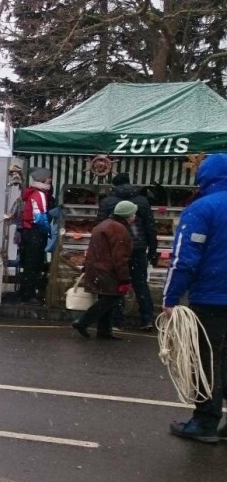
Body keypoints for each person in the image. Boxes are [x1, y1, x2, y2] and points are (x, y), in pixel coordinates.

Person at [164, 154, 227, 443]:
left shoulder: (201, 209)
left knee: (205, 359)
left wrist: (171, 297)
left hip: (211, 298)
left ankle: (204, 422)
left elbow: (184, 259)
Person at [97, 172, 157, 330]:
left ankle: (117, 320)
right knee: (140, 283)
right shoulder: (142, 201)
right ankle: (147, 319)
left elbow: (100, 226)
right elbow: (151, 227)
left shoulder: (108, 201)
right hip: (138, 248)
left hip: (116, 248)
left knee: (116, 284)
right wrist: (153, 249)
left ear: (114, 185)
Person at [73, 199, 135, 340]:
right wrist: (124, 278)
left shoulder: (103, 225)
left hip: (96, 268)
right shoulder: (119, 229)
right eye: (133, 214)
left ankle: (104, 331)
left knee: (106, 297)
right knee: (111, 298)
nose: (134, 217)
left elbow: (92, 249)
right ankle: (83, 322)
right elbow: (120, 257)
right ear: (128, 215)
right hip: (108, 270)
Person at [18, 167, 54, 302]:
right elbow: (40, 217)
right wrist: (48, 232)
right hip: (35, 232)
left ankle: (25, 292)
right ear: (43, 179)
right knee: (33, 264)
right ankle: (29, 294)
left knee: (28, 263)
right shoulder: (40, 194)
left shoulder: (32, 193)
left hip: (28, 231)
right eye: (49, 177)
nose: (50, 180)